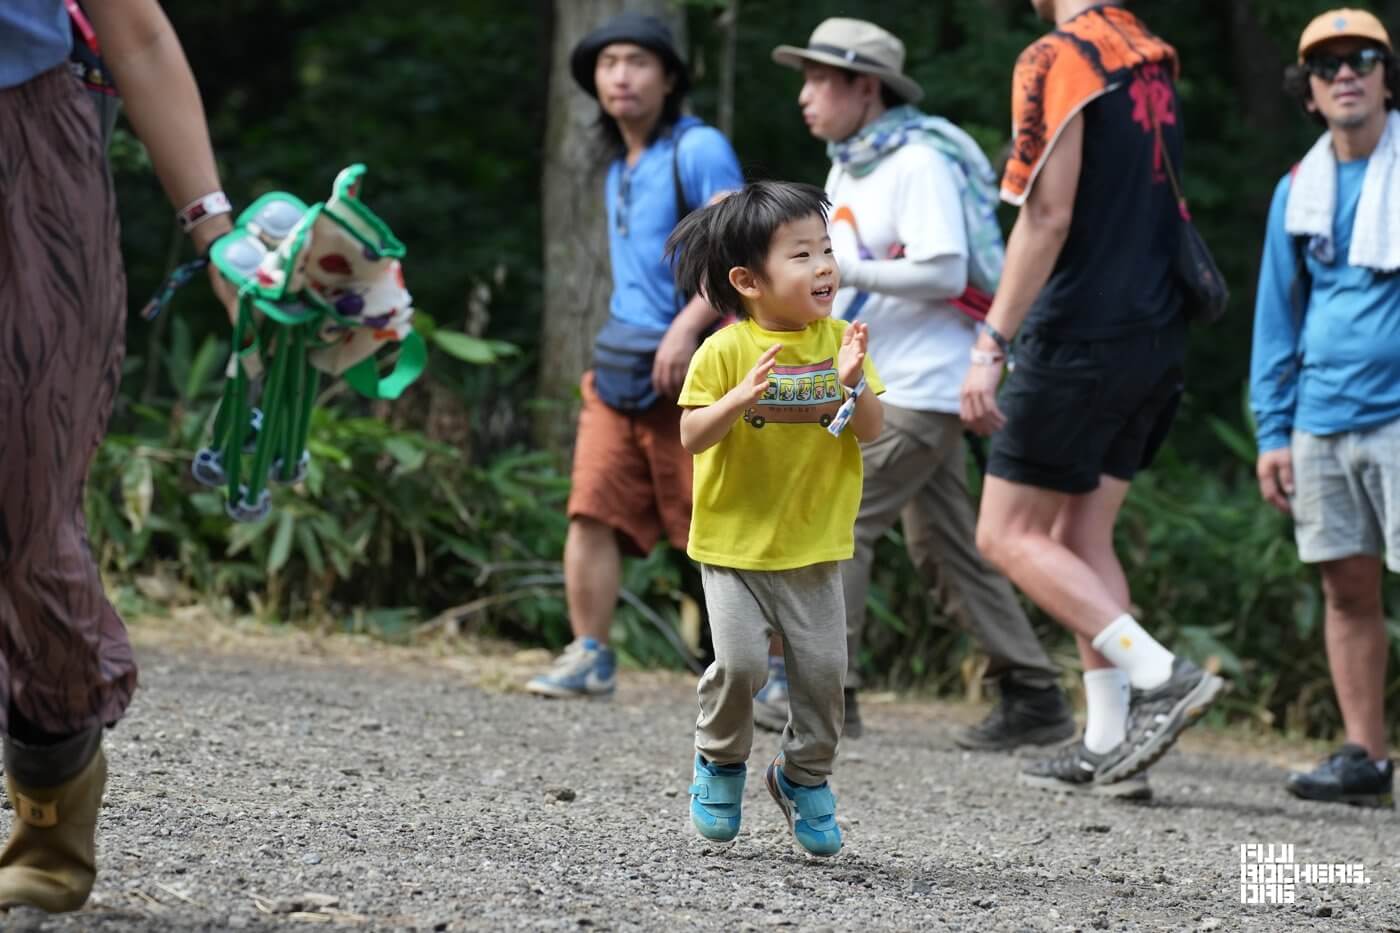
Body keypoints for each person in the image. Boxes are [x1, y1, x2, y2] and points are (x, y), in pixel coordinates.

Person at [760, 16, 1074, 749]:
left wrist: (839, 271)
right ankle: (1034, 694)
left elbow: (944, 267)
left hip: (924, 384)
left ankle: (825, 689)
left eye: (819, 79)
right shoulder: (850, 165)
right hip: (885, 379)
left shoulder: (917, 162)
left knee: (839, 518)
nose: (805, 96)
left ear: (864, 88)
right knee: (947, 547)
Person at [958, 0, 1225, 798]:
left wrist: (991, 343)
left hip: (1079, 333)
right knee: (1080, 531)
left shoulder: (1059, 56)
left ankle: (1160, 676)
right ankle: (1112, 741)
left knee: (1003, 534)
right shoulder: (1150, 57)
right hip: (1157, 332)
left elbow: (1047, 213)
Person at [0, 0, 232, 913]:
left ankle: (50, 791)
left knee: (23, 498)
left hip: (27, 144)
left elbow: (134, 29)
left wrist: (215, 229)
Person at [527, 12, 743, 700]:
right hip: (620, 366)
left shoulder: (699, 146)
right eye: (608, 61)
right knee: (590, 507)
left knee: (719, 523)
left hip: (693, 369)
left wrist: (685, 328)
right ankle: (590, 652)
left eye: (638, 61)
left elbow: (739, 250)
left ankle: (761, 674)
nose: (621, 74)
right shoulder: (617, 164)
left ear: (670, 76)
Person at [669, 181, 883, 856]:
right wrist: (738, 397)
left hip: (814, 545)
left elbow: (872, 429)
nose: (824, 266)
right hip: (733, 546)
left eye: (826, 249)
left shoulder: (839, 340)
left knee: (823, 677)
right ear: (748, 280)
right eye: (801, 254)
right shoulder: (724, 350)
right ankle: (721, 761)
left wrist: (852, 381)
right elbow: (693, 436)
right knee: (737, 665)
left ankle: (802, 776)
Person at [1251, 8, 1400, 809]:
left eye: (1363, 58)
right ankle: (1367, 759)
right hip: (1320, 417)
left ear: (1386, 75)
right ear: (1308, 91)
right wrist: (1274, 429)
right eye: (1327, 63)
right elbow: (1278, 315)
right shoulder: (1296, 190)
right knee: (1347, 588)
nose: (1345, 72)